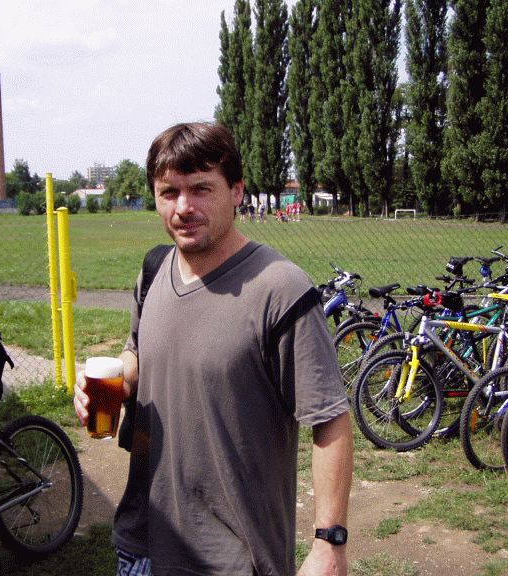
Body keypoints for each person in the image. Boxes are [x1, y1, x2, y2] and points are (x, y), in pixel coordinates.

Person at [74, 122, 353, 576]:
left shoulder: (280, 289)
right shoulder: (154, 269)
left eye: (201, 189)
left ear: (237, 191)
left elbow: (330, 419)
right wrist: (115, 382)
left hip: (233, 559)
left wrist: (329, 544)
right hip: (142, 545)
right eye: (169, 192)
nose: (184, 207)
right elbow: (137, 353)